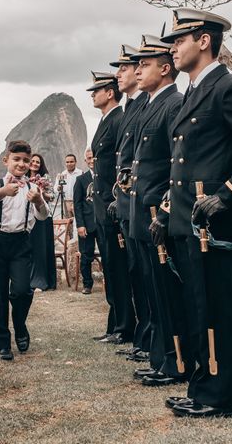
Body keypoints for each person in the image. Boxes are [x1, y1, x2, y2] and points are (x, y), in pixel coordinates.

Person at [153, 8, 232, 418]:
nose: (173, 48)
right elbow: (184, 164)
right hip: (189, 220)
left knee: (217, 310)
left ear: (203, 40)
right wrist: (167, 212)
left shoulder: (228, 88)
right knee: (196, 305)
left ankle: (219, 399)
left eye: (179, 40)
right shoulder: (191, 92)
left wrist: (229, 194)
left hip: (214, 223)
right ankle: (201, 387)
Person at [129, 35, 191, 386]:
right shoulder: (151, 104)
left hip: (157, 213)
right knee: (154, 294)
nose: (139, 70)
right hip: (142, 213)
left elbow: (175, 166)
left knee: (167, 293)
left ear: (165, 68)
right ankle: (161, 357)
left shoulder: (173, 103)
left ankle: (175, 362)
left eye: (146, 64)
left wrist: (165, 210)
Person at [0, 140, 49, 361]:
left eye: (25, 161)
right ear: (6, 160)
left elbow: (43, 215)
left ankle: (20, 325)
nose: (21, 164)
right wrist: (2, 192)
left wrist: (39, 200)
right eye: (16, 159)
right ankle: (2, 343)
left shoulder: (32, 187)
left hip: (21, 243)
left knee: (22, 291)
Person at [87, 71, 135, 345]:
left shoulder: (118, 119)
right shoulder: (106, 120)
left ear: (110, 92)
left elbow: (122, 165)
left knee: (118, 267)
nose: (93, 94)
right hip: (102, 204)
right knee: (110, 267)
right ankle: (114, 323)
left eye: (97, 90)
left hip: (112, 204)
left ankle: (124, 326)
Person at [109, 43, 151, 361]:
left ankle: (148, 338)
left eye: (127, 67)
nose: (122, 74)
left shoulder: (143, 106)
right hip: (127, 203)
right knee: (138, 273)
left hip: (141, 202)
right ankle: (144, 337)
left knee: (147, 275)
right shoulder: (130, 109)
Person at [26, 153, 56, 291]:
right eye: (32, 161)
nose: (35, 163)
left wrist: (42, 193)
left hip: (44, 216)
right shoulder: (23, 178)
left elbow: (52, 196)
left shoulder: (46, 178)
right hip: (28, 216)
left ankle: (41, 281)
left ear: (41, 164)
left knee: (42, 249)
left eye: (38, 162)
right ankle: (28, 279)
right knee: (29, 248)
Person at [73, 149, 98, 294]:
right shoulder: (81, 180)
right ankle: (87, 284)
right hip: (87, 225)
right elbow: (77, 204)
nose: (92, 160)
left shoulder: (105, 177)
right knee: (86, 255)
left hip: (103, 224)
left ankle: (111, 282)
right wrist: (80, 225)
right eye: (89, 158)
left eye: (94, 157)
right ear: (86, 161)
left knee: (108, 253)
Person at [56, 154, 82, 218]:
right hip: (66, 201)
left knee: (78, 221)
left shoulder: (81, 173)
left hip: (78, 202)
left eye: (71, 162)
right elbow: (55, 188)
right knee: (68, 223)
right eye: (67, 162)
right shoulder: (62, 174)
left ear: (75, 162)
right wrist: (58, 188)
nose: (69, 164)